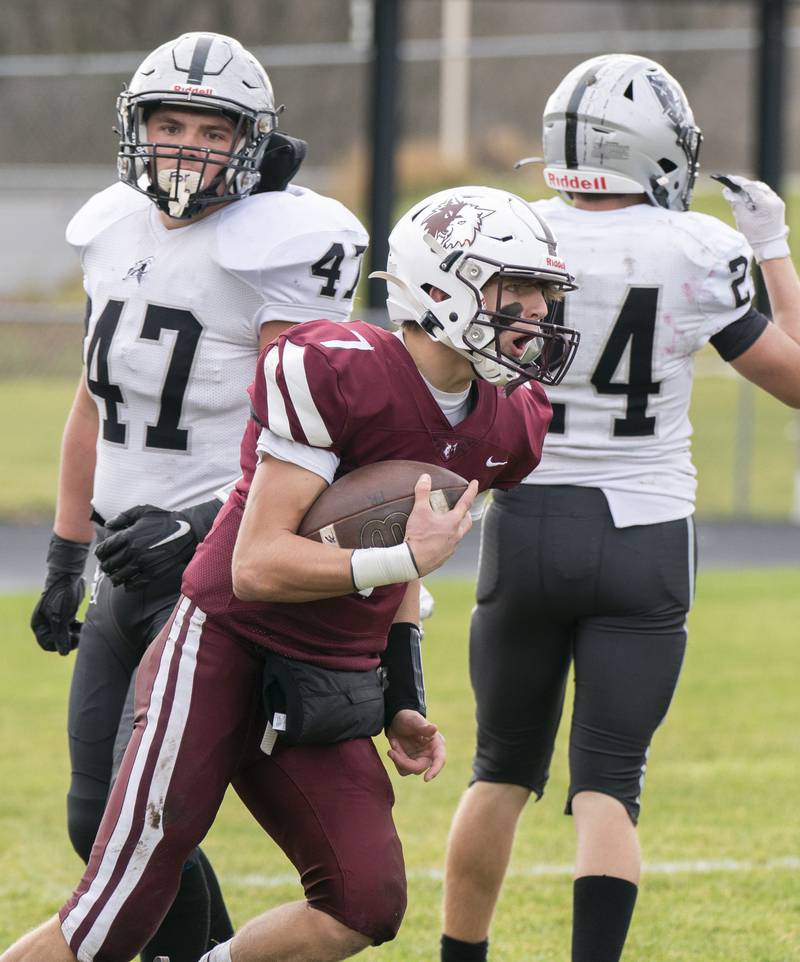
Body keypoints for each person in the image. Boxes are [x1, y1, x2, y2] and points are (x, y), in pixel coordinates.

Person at [4, 185, 581, 962]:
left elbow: (405, 558)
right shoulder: (336, 369)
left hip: (326, 671)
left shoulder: (509, 422)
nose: (537, 315)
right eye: (517, 290)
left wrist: (405, 696)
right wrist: (404, 557)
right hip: (224, 647)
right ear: (441, 285)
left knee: (365, 900)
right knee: (117, 913)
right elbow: (258, 564)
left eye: (545, 295)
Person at [438, 53, 800, 962]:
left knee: (499, 775)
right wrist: (772, 246)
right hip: (641, 535)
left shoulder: (510, 232)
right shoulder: (696, 248)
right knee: (608, 787)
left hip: (523, 523)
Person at [27, 31, 369, 962]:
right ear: (134, 128)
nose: (182, 147)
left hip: (220, 579)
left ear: (248, 142)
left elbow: (309, 433)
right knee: (94, 820)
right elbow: (92, 409)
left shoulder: (283, 243)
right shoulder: (113, 226)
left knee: (150, 832)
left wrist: (198, 525)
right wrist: (66, 555)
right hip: (126, 571)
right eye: (166, 124)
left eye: (208, 130)